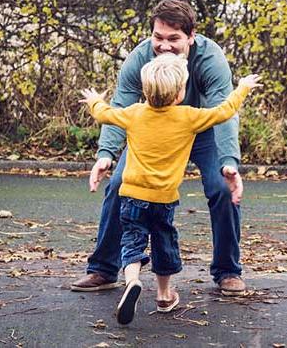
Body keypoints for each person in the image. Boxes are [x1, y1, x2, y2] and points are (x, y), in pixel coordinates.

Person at [71, 0, 250, 296]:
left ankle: (227, 271)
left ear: (191, 37)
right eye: (158, 37)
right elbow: (120, 106)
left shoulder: (210, 59)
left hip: (202, 128)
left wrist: (229, 161)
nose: (164, 45)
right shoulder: (139, 58)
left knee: (221, 188)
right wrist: (106, 154)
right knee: (118, 185)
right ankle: (103, 268)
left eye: (173, 38)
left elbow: (223, 109)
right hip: (153, 129)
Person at [79, 53, 262, 324]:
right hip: (163, 199)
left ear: (145, 91)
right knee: (164, 243)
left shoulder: (134, 113)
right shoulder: (188, 117)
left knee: (132, 241)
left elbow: (104, 114)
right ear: (179, 94)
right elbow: (224, 111)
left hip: (131, 196)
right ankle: (164, 295)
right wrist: (243, 88)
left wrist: (93, 99)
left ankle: (131, 281)